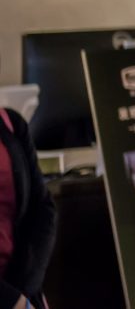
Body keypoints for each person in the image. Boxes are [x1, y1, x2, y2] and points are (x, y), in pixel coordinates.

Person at [0, 105, 57, 309]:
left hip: (20, 288)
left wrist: (24, 292)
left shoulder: (10, 122)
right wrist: (10, 300)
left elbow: (42, 209)